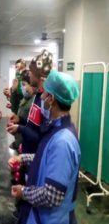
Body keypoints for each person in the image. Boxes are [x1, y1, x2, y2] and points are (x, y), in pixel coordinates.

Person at [9, 70, 81, 224]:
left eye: (44, 93)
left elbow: (52, 195)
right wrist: (23, 158)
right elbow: (46, 158)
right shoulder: (55, 128)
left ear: (51, 99)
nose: (41, 97)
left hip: (50, 219)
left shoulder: (63, 141)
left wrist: (24, 192)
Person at [7, 50, 53, 154]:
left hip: (35, 156)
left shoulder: (46, 101)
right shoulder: (38, 96)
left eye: (31, 71)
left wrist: (20, 129)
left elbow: (41, 136)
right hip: (28, 153)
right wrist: (20, 121)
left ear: (38, 74)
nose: (29, 74)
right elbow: (32, 126)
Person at [10, 71, 36, 151]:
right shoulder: (25, 98)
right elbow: (17, 110)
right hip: (20, 140)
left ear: (32, 85)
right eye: (21, 85)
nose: (22, 88)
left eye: (24, 85)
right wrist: (18, 119)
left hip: (27, 142)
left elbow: (33, 126)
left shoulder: (35, 101)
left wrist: (19, 126)